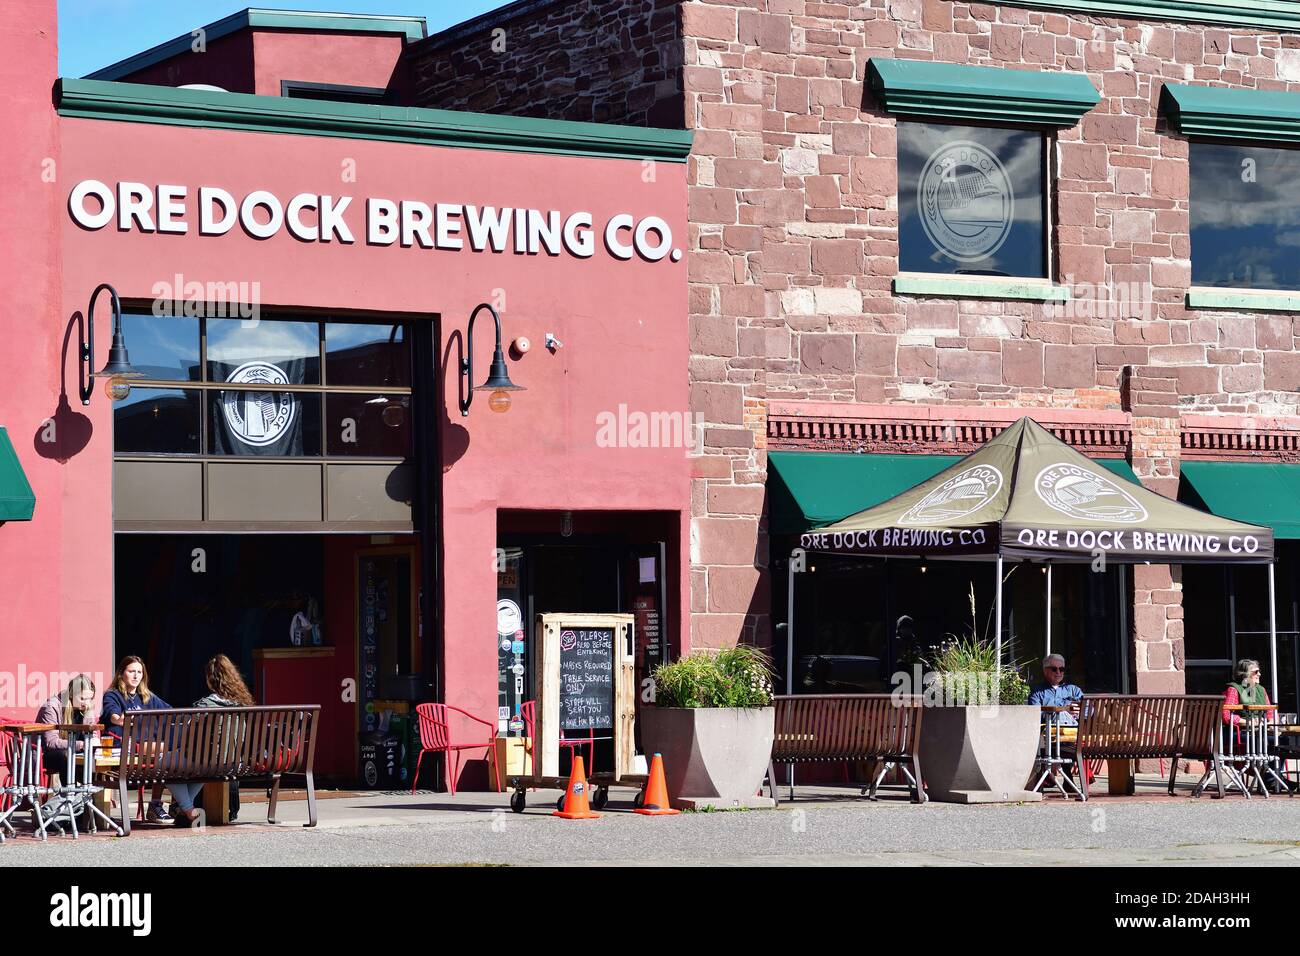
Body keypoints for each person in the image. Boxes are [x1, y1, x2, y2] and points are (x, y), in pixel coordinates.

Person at [100, 656, 192, 825]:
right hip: (124, 748)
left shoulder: (147, 696)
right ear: (121, 674)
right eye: (131, 671)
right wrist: (119, 719)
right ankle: (160, 805)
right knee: (169, 753)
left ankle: (168, 805)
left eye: (139, 672)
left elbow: (170, 712)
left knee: (172, 754)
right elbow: (113, 715)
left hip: (149, 749)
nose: (136, 676)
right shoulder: (113, 695)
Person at [192, 654, 254, 820]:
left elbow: (192, 736)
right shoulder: (243, 705)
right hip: (236, 763)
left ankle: (184, 808)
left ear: (210, 679)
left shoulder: (204, 706)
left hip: (210, 764)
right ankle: (231, 808)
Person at [35, 674, 98, 787]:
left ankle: (86, 794)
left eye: (90, 699)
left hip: (74, 751)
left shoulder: (85, 707)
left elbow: (92, 735)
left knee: (92, 755)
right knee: (64, 755)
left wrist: (89, 714)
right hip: (46, 754)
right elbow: (51, 742)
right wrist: (82, 744)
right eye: (82, 698)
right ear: (71, 695)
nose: (86, 703)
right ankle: (71, 793)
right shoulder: (52, 707)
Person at [1028, 653, 1084, 727]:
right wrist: (1063, 711)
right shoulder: (1037, 691)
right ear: (1045, 671)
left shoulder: (1073, 689)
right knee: (1060, 715)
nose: (1058, 672)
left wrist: (1076, 713)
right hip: (1049, 733)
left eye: (1061, 669)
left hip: (1075, 731)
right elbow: (1035, 715)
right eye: (1054, 669)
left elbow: (1088, 710)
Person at [1222, 658, 1276, 726]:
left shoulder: (1261, 690)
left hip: (1260, 730)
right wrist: (1248, 722)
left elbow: (1270, 713)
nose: (1259, 674)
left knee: (1283, 737)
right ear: (1246, 674)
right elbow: (1226, 715)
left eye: (1259, 671)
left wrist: (1270, 723)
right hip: (1241, 731)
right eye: (1256, 672)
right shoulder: (1233, 689)